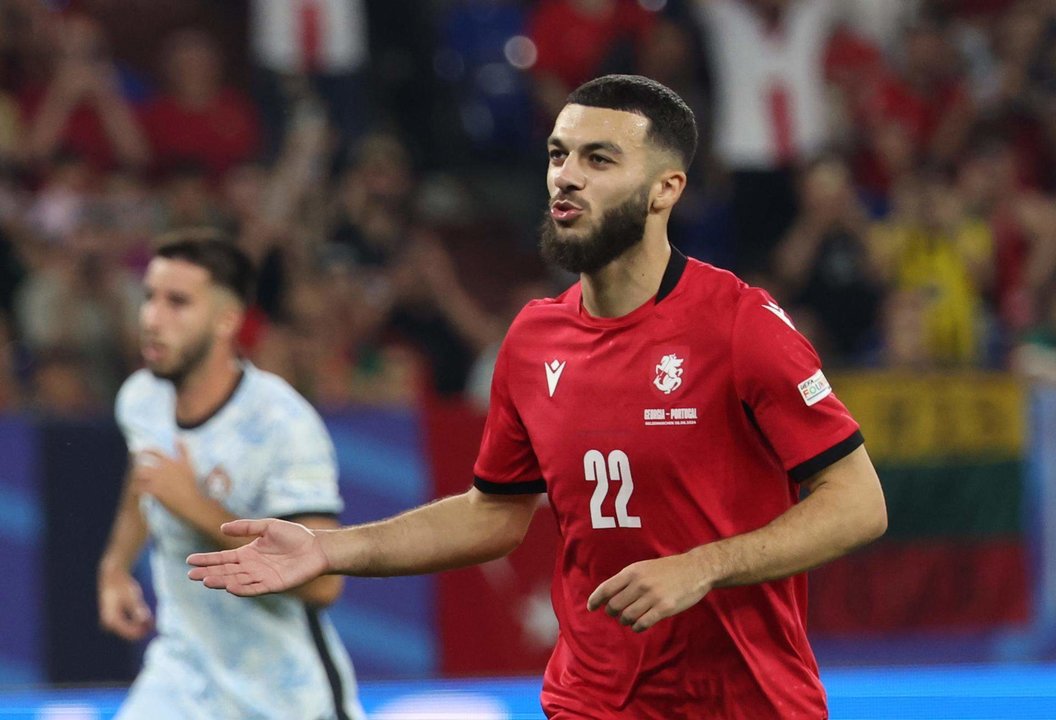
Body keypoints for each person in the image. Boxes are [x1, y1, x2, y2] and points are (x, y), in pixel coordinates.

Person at [188, 75, 887, 719]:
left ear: (665, 189)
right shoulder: (532, 339)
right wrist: (330, 549)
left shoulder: (740, 325)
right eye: (559, 154)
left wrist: (703, 566)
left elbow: (858, 502)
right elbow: (494, 513)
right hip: (592, 698)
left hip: (744, 701)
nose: (567, 176)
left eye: (599, 160)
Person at [97, 232, 364, 720]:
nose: (152, 318)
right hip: (181, 679)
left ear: (226, 320)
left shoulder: (282, 424)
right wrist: (115, 567)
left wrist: (195, 505)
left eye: (177, 302)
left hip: (281, 696)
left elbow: (324, 586)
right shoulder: (141, 397)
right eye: (149, 297)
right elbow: (146, 479)